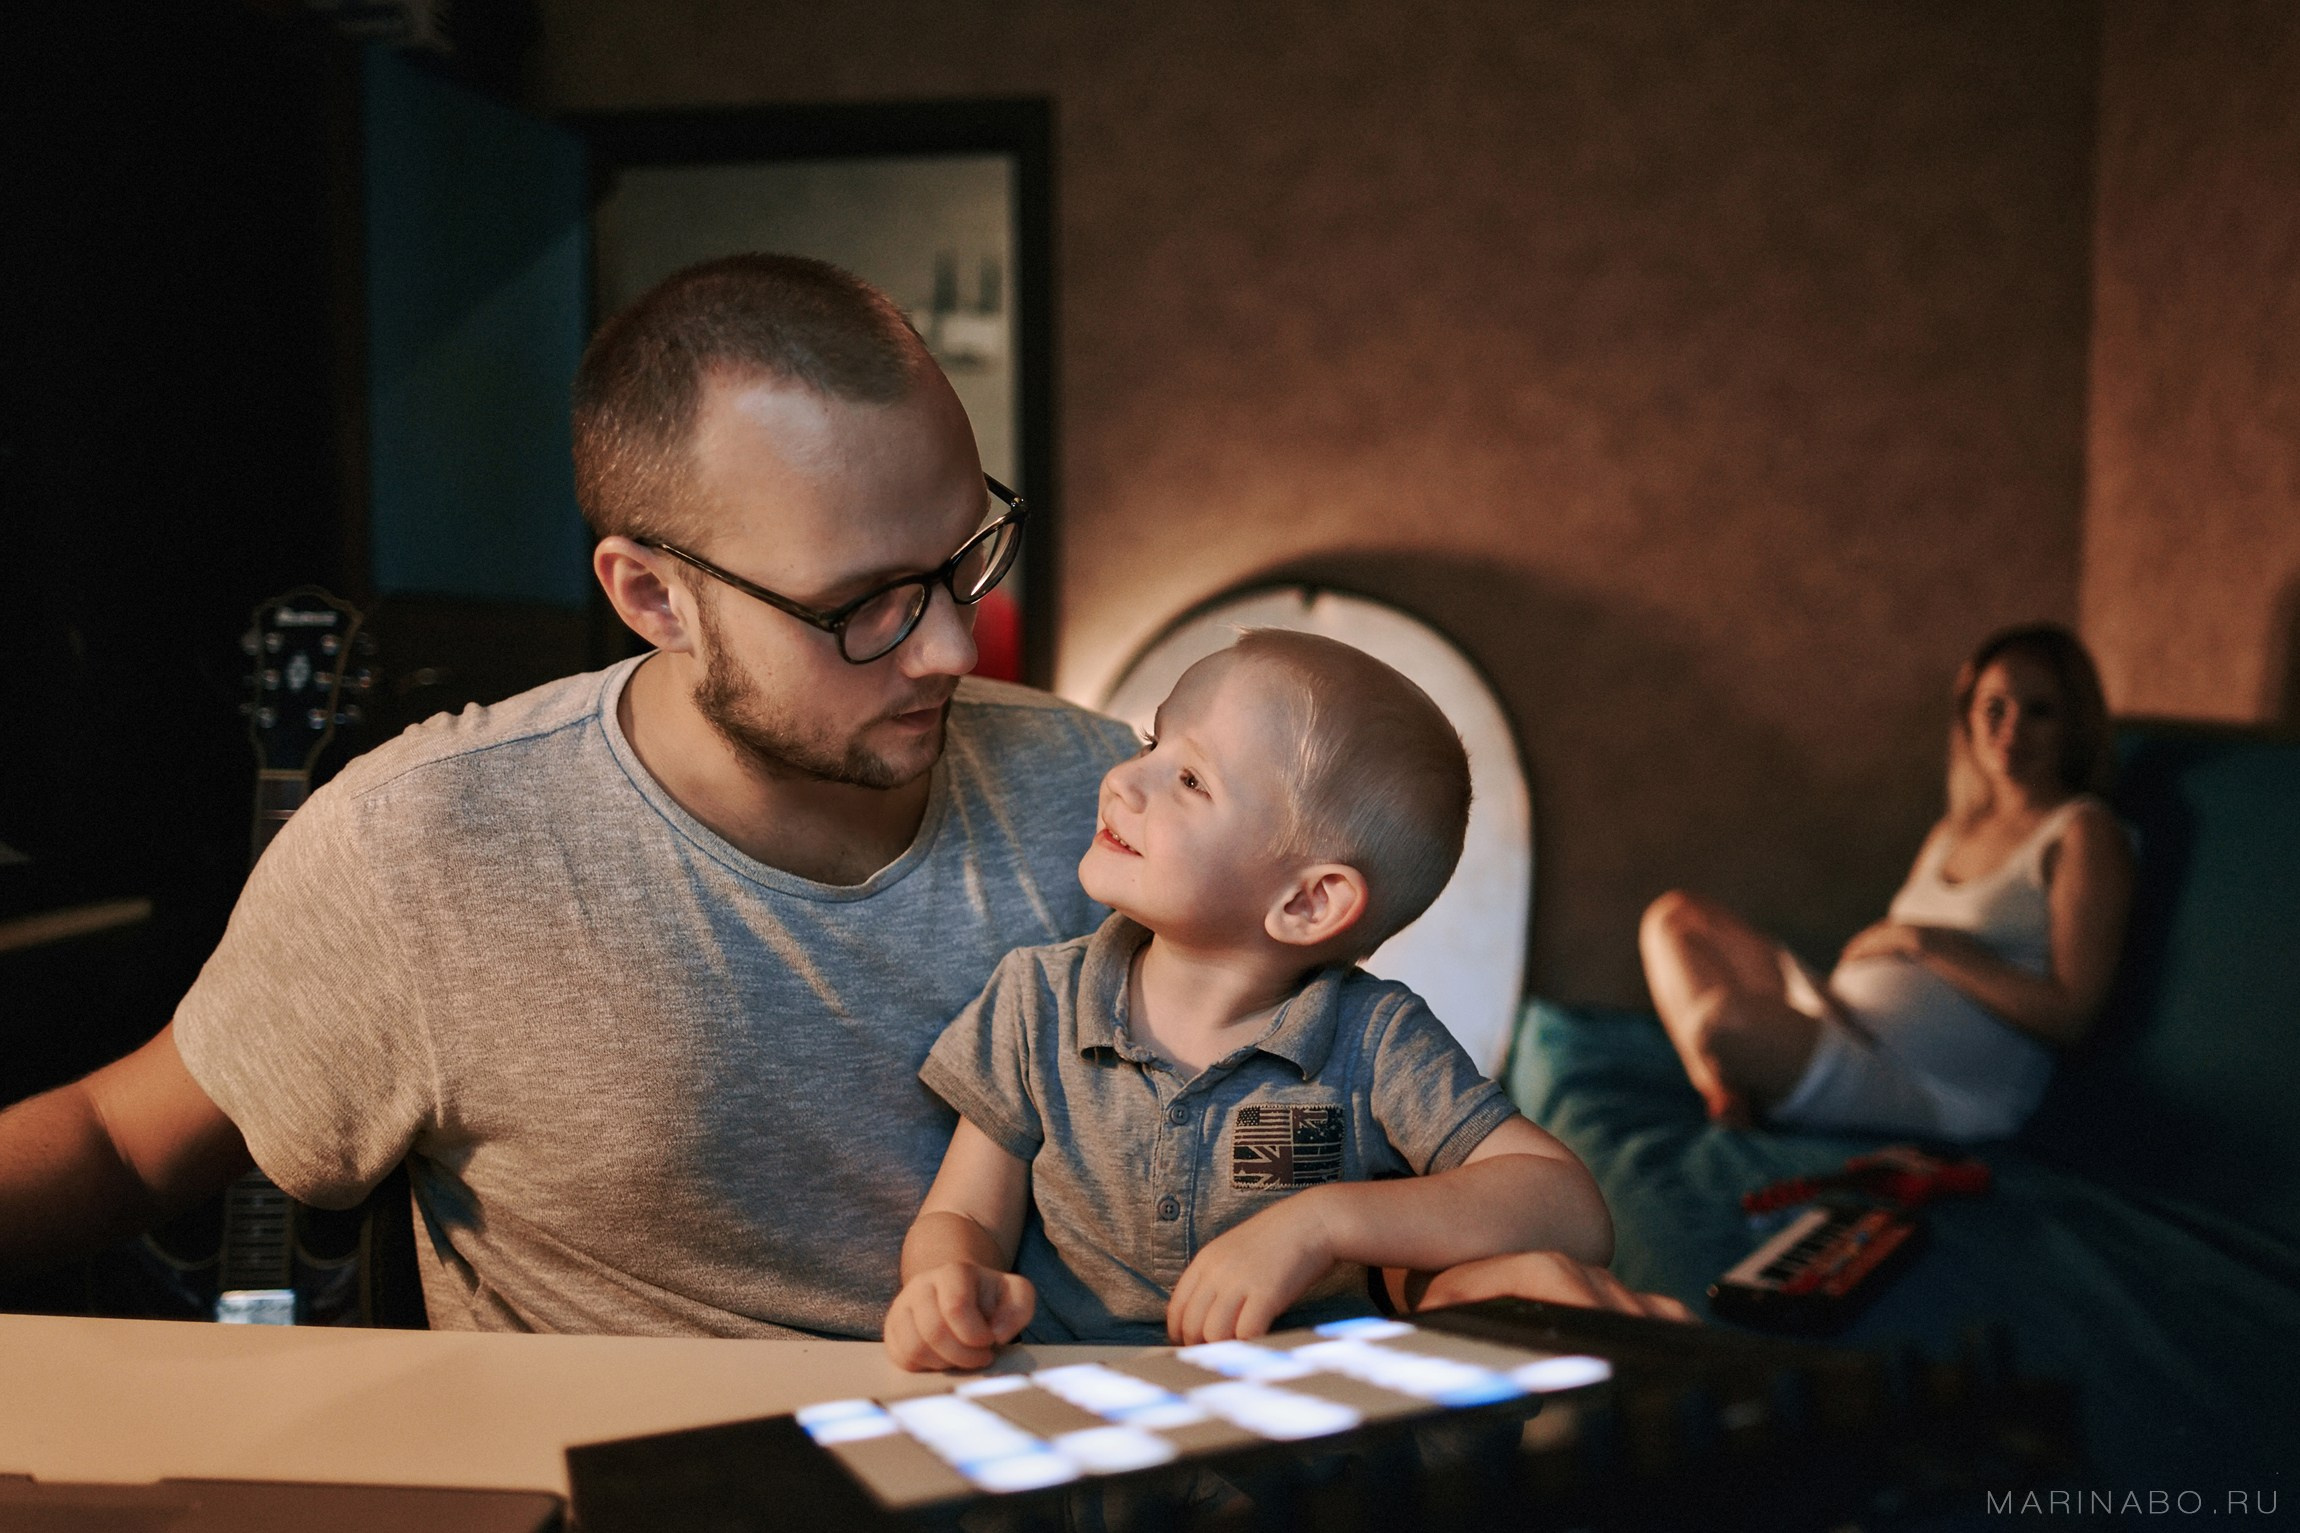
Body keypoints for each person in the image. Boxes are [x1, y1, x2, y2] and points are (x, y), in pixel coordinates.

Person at [0, 253, 1673, 1335]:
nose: (951, 643)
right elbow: (117, 1142)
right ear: (654, 596)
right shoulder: (423, 845)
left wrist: (1479, 1282)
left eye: (963, 553)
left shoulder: (1110, 804)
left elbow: (1304, 1141)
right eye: (867, 600)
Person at [885, 631, 1612, 1369]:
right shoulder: (1034, 1001)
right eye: (1151, 743)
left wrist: (1320, 1224)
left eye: (1191, 780)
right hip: (1068, 1398)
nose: (1122, 781)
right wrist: (947, 1281)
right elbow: (966, 1213)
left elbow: (1569, 1208)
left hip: (1295, 1412)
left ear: (1308, 902)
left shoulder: (1377, 1040)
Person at [1638, 624, 2135, 1142]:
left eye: (2039, 711)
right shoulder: (1954, 830)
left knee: (1721, 1023)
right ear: (1967, 717)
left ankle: (1742, 1074)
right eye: (1995, 707)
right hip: (1849, 1025)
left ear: (2074, 724)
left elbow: (2072, 1017)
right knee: (1674, 917)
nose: (2011, 729)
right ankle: (1727, 1093)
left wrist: (1922, 942)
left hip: (1929, 1089)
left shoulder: (2083, 832)